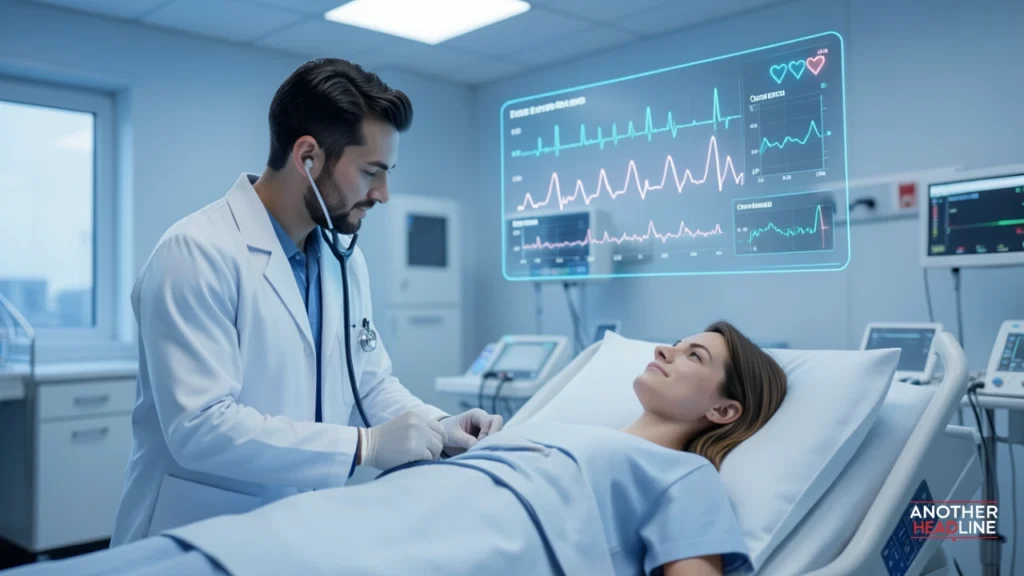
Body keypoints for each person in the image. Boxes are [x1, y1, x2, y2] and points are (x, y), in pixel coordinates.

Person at [7, 321, 788, 576]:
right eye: (675, 343)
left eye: (693, 356)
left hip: (450, 549)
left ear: (725, 407)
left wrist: (926, 520)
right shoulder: (560, 429)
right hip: (363, 516)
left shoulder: (683, 474)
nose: (667, 353)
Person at [108, 58, 504, 546]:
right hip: (195, 534)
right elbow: (200, 427)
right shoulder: (195, 252)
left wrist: (437, 425)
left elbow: (368, 382)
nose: (383, 194)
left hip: (296, 528)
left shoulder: (342, 262)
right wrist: (366, 445)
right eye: (371, 172)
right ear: (308, 157)